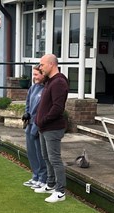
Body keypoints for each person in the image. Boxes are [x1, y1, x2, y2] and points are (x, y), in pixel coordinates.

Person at [34, 54, 69, 203]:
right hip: (44, 127)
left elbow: (57, 108)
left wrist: (44, 120)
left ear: (51, 64)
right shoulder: (50, 81)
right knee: (46, 157)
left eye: (42, 64)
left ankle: (60, 191)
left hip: (52, 128)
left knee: (55, 159)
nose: (40, 67)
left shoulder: (59, 82)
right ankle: (50, 184)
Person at [22, 65, 47, 190]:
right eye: (34, 74)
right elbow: (28, 103)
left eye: (37, 74)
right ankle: (35, 176)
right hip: (29, 124)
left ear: (43, 74)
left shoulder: (46, 89)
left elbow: (42, 109)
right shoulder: (33, 88)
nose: (34, 77)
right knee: (31, 152)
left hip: (38, 125)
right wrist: (26, 113)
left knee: (40, 153)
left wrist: (37, 125)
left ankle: (43, 178)